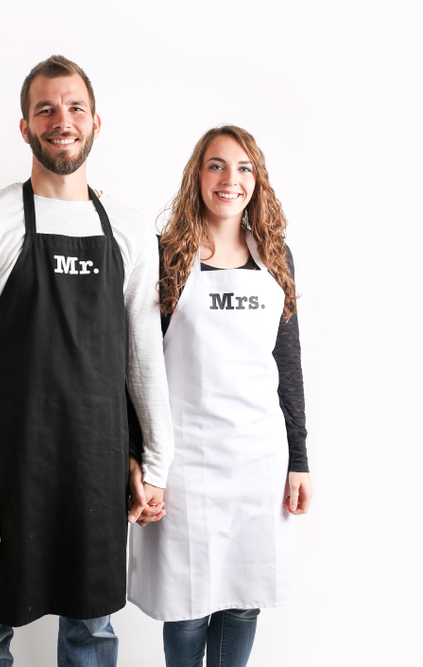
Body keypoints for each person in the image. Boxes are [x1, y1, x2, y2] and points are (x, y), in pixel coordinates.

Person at [0, 55, 173, 666]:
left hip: (98, 469)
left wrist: (157, 464)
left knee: (92, 633)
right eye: (44, 108)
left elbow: (143, 353)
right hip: (8, 471)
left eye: (73, 107)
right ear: (25, 127)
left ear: (96, 122)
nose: (60, 120)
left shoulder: (126, 227)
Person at [126, 126, 314, 667]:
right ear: (197, 175)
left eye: (243, 168)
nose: (230, 180)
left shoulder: (275, 258)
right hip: (184, 461)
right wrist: (138, 457)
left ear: (258, 180)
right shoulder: (167, 257)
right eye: (216, 166)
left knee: (242, 601)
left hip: (257, 459)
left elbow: (289, 364)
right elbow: (136, 366)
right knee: (185, 606)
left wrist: (298, 459)